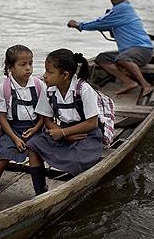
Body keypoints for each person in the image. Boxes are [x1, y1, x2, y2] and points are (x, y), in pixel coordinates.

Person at [25, 49, 104, 194]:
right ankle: (40, 191)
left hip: (87, 135)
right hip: (61, 132)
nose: (44, 75)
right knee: (33, 145)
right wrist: (63, 134)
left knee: (76, 162)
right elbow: (47, 119)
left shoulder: (83, 89)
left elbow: (92, 123)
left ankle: (74, 190)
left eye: (49, 72)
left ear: (65, 75)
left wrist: (63, 132)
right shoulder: (49, 90)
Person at [0, 45, 44, 209]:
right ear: (10, 67)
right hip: (12, 129)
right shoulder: (4, 88)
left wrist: (36, 129)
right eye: (23, 64)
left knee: (34, 152)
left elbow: (45, 114)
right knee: (3, 155)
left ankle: (40, 190)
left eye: (30, 63)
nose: (28, 68)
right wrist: (15, 138)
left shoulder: (38, 85)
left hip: (34, 128)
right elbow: (1, 117)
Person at [67, 0, 154, 95]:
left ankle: (146, 84)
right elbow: (104, 24)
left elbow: (99, 23)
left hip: (142, 49)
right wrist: (104, 23)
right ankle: (128, 82)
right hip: (129, 51)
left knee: (122, 58)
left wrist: (79, 25)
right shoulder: (117, 11)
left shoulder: (123, 8)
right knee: (102, 58)